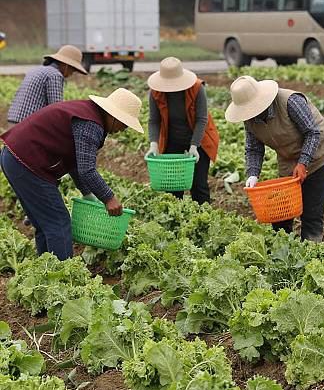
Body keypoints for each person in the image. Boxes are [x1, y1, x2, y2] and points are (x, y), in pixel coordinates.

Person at [0, 88, 144, 261]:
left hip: (15, 157)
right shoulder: (91, 124)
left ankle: (47, 272)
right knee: (59, 223)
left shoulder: (89, 114)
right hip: (27, 163)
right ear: (115, 116)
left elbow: (75, 161)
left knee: (45, 224)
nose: (124, 129)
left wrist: (87, 193)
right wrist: (109, 198)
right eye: (125, 123)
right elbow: (87, 169)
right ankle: (62, 279)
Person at [225, 75, 324, 242]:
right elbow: (254, 148)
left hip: (319, 155)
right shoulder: (250, 119)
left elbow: (313, 133)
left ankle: (313, 254)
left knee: (311, 213)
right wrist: (252, 174)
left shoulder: (290, 101)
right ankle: (285, 252)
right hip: (288, 160)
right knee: (281, 213)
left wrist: (303, 162)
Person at [146, 57, 219, 204]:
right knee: (173, 186)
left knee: (199, 185)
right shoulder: (155, 93)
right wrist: (153, 144)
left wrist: (194, 146)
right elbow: (154, 120)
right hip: (172, 141)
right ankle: (176, 220)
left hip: (199, 140)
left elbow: (201, 119)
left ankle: (203, 220)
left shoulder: (197, 88)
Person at [7, 45, 88, 126]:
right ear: (66, 65)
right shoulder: (54, 75)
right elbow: (56, 108)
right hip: (27, 125)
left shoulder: (37, 70)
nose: (70, 75)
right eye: (72, 71)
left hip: (14, 119)